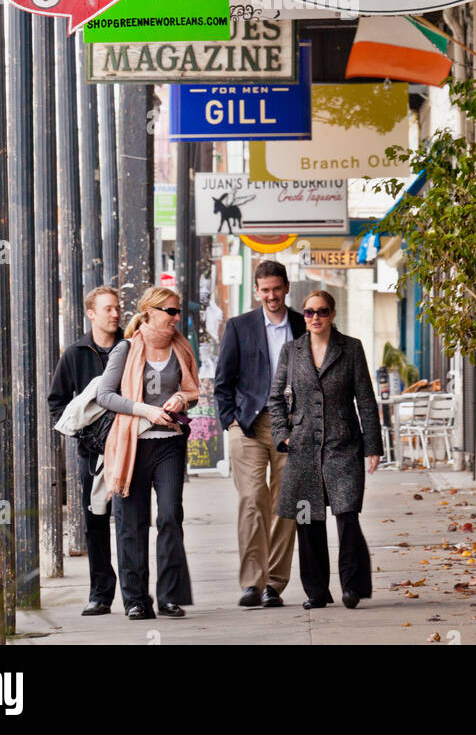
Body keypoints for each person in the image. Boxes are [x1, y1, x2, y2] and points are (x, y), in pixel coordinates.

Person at [268, 289, 382, 611]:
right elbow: (275, 398)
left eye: (321, 312)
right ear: (303, 316)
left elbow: (366, 400)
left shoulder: (351, 349)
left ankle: (351, 587)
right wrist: (283, 435)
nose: (315, 318)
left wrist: (372, 445)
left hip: (343, 443)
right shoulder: (291, 351)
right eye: (308, 312)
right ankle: (316, 591)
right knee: (307, 519)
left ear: (332, 314)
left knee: (347, 516)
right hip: (303, 447)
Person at [97, 286, 199, 620]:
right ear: (151, 312)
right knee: (132, 524)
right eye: (170, 311)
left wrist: (182, 399)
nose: (176, 317)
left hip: (169, 443)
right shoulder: (126, 349)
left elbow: (192, 390)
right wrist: (144, 410)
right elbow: (105, 395)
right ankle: (136, 599)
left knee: (170, 516)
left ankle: (170, 596)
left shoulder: (181, 347)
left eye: (178, 311)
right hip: (133, 445)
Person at [214, 260, 306, 608]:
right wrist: (230, 422)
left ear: (286, 288)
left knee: (286, 504)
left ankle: (274, 584)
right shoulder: (239, 327)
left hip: (292, 426)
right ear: (257, 291)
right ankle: (252, 582)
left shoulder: (302, 325)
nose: (271, 295)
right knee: (252, 499)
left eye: (276, 289)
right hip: (249, 425)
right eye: (265, 290)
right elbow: (223, 382)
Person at [48, 285, 123, 617]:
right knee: (96, 522)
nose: (115, 314)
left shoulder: (131, 346)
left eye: (117, 308)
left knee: (130, 521)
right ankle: (100, 593)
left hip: (128, 447)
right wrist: (82, 432)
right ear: (91, 314)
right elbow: (57, 402)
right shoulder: (76, 353)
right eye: (107, 309)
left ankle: (135, 593)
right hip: (92, 453)